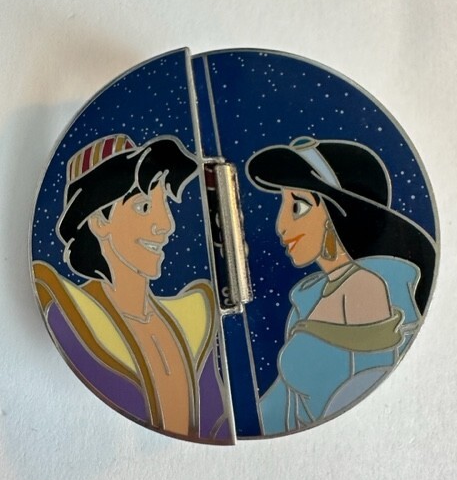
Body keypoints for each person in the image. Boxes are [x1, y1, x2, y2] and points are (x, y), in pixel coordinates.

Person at [33, 134, 232, 443]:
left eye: (164, 203)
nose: (165, 224)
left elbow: (215, 427)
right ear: (98, 221)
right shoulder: (73, 318)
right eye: (143, 206)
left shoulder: (193, 325)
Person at [246, 136, 436, 435]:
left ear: (338, 212)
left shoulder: (365, 287)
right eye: (283, 205)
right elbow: (284, 400)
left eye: (298, 207)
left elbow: (368, 383)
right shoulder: (307, 300)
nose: (281, 225)